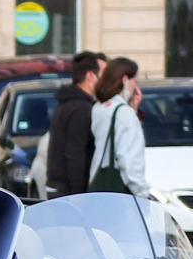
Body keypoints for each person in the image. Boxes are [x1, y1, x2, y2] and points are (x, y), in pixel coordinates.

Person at [39, 50, 106, 198]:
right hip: (69, 191)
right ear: (90, 76)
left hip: (60, 187)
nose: (106, 79)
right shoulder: (81, 108)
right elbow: (75, 152)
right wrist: (78, 193)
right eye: (104, 74)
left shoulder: (68, 102)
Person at [86, 57, 149, 198]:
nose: (136, 89)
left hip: (97, 183)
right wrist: (142, 193)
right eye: (135, 82)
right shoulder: (124, 113)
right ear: (125, 80)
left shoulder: (98, 107)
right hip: (120, 193)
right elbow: (129, 160)